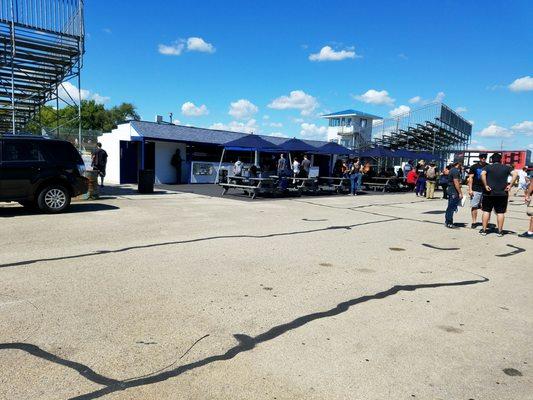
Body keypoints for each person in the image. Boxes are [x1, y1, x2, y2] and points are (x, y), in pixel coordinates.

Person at [479, 153, 518, 237]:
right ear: (501, 160)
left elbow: (482, 174)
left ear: (492, 160)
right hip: (502, 193)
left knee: (486, 211)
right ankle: (500, 231)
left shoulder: (487, 167)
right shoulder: (507, 167)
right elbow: (515, 174)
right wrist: (510, 185)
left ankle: (484, 230)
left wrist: (485, 185)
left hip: (488, 193)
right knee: (500, 212)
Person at [467, 153, 488, 228]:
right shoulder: (474, 166)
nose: (483, 158)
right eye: (482, 157)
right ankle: (474, 222)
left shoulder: (488, 166)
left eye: (485, 157)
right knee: (474, 206)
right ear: (479, 158)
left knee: (485, 207)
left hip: (486, 189)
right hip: (476, 188)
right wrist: (470, 189)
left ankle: (485, 223)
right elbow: (470, 178)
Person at [445, 161, 463, 228]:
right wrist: (460, 192)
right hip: (453, 191)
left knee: (450, 207)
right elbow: (456, 182)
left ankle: (448, 221)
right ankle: (449, 223)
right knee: (451, 207)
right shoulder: (455, 171)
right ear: (458, 164)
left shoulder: (451, 170)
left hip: (450, 189)